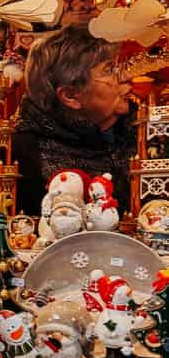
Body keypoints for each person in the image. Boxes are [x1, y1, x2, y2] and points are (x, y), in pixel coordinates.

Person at [12, 26, 136, 216]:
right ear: (70, 96)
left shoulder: (140, 132)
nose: (126, 77)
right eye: (109, 70)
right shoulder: (24, 154)